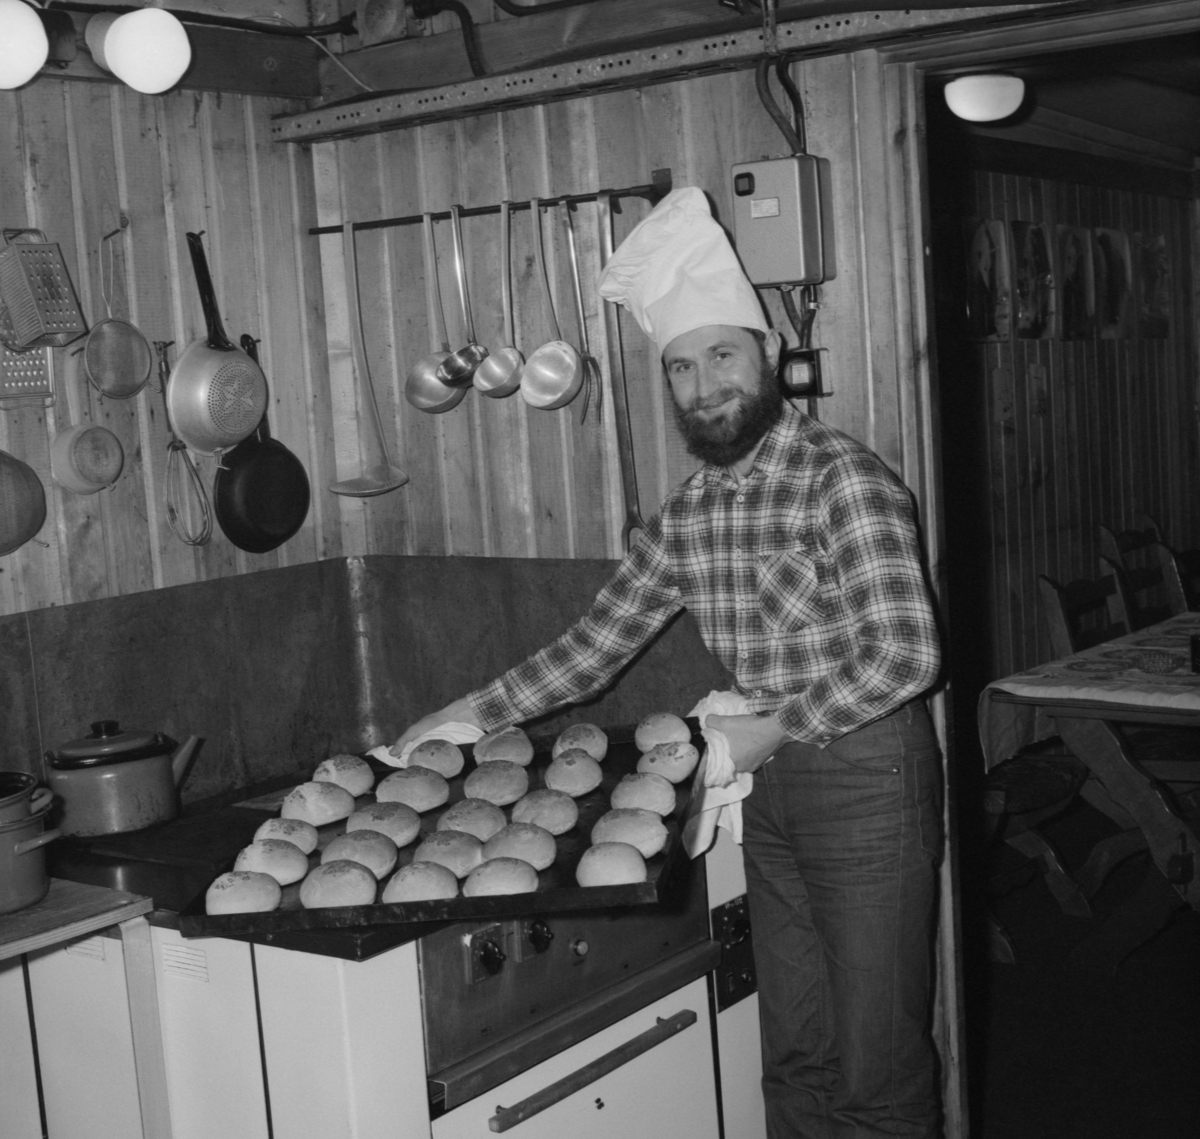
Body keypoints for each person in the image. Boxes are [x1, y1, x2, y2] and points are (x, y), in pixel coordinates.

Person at [394, 187, 944, 1139]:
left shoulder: (841, 479)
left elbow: (906, 653)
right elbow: (594, 643)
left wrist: (765, 730)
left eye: (721, 355)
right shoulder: (689, 512)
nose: (702, 386)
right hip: (761, 784)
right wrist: (470, 715)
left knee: (877, 1064)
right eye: (680, 367)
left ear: (767, 355)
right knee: (797, 1048)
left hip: (867, 778)